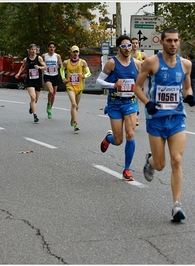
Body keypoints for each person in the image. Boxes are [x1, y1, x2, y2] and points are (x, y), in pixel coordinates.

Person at [134, 28, 195, 222]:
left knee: (176, 160)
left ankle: (177, 205)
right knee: (160, 165)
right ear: (161, 42)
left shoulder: (186, 64)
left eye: (176, 41)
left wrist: (190, 96)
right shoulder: (151, 62)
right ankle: (150, 162)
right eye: (169, 40)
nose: (173, 44)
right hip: (156, 119)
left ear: (179, 41)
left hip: (177, 118)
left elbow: (186, 87)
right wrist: (147, 103)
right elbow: (137, 87)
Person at [96, 35, 142, 181]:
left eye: (129, 46)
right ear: (118, 48)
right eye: (124, 46)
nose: (128, 48)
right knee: (118, 140)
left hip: (130, 103)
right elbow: (99, 81)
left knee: (130, 134)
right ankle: (108, 139)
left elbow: (143, 83)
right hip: (115, 103)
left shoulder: (137, 64)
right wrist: (114, 85)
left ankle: (127, 169)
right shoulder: (112, 63)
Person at [60, 45, 91, 131]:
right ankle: (76, 123)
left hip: (79, 86)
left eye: (77, 52)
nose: (75, 53)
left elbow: (89, 73)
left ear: (79, 53)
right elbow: (62, 69)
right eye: (74, 52)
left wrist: (84, 75)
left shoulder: (82, 62)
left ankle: (73, 118)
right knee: (73, 104)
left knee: (76, 106)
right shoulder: (66, 62)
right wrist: (63, 78)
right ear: (71, 52)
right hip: (70, 86)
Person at [15, 44, 46, 123]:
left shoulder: (39, 58)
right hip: (30, 80)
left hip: (37, 81)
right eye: (32, 49)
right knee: (33, 97)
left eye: (35, 49)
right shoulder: (26, 59)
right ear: (29, 50)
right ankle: (35, 116)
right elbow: (22, 66)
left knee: (35, 100)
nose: (33, 51)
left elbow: (45, 67)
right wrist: (18, 74)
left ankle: (31, 106)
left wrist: (39, 67)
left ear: (36, 50)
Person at [42, 41, 62, 119]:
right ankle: (48, 103)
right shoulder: (44, 56)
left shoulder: (57, 56)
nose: (52, 48)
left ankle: (50, 108)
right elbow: (40, 62)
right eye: (50, 47)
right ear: (48, 48)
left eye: (53, 47)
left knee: (54, 94)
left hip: (55, 75)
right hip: (47, 75)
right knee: (50, 91)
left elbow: (60, 64)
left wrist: (60, 65)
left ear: (55, 48)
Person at [131, 37, 147, 126]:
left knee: (136, 97)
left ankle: (135, 115)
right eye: (133, 43)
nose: (135, 45)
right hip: (130, 78)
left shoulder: (142, 54)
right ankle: (133, 114)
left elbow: (148, 63)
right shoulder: (127, 54)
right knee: (132, 97)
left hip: (140, 78)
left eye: (136, 43)